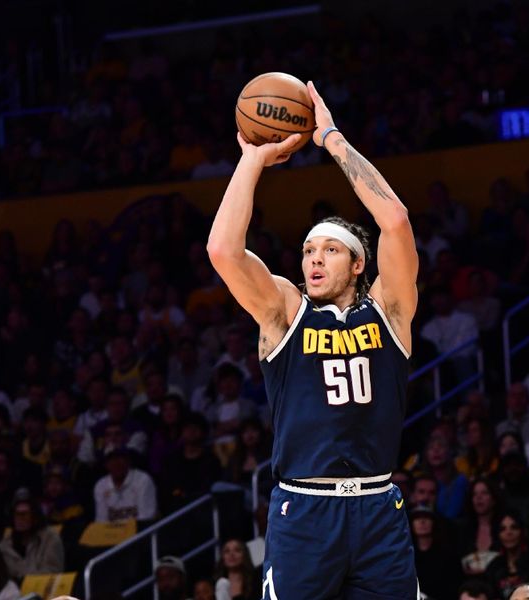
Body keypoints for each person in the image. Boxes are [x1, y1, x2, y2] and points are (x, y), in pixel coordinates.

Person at [207, 80, 420, 598]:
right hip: (303, 509)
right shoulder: (285, 312)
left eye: (329, 250)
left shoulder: (390, 310)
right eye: (308, 251)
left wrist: (331, 139)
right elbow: (223, 251)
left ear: (358, 263)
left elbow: (393, 220)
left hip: (377, 506)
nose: (315, 259)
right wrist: (253, 159)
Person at [0, 491, 64, 581]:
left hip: (42, 589)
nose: (19, 519)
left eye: (24, 514)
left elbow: (52, 573)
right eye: (16, 514)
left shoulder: (50, 539)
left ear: (34, 516)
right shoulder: (4, 545)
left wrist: (23, 579)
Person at [485, 511, 529, 597]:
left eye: (514, 527)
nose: (508, 533)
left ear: (523, 531)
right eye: (503, 529)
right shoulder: (494, 567)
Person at [410, 505, 462, 600]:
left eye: (426, 517)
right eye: (417, 518)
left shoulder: (448, 555)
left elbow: (454, 587)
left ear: (434, 522)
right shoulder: (405, 556)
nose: (422, 522)